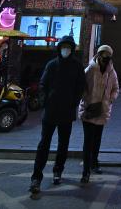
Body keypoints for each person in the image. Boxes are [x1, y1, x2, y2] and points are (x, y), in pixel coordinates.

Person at [30, 36, 86, 195]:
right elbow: (43, 84)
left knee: (63, 144)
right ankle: (36, 178)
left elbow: (80, 86)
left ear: (72, 49)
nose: (66, 50)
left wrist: (73, 102)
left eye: (68, 47)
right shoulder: (52, 65)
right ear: (60, 48)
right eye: (64, 47)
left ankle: (58, 170)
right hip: (50, 111)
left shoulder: (76, 66)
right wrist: (44, 101)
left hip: (67, 112)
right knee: (43, 145)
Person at [79, 44, 119, 184]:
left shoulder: (111, 72)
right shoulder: (90, 69)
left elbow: (115, 88)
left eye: (107, 56)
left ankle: (94, 162)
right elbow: (82, 85)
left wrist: (110, 99)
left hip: (102, 111)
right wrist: (86, 98)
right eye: (103, 55)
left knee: (97, 140)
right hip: (89, 109)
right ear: (99, 54)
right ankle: (86, 171)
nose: (105, 58)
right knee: (88, 141)